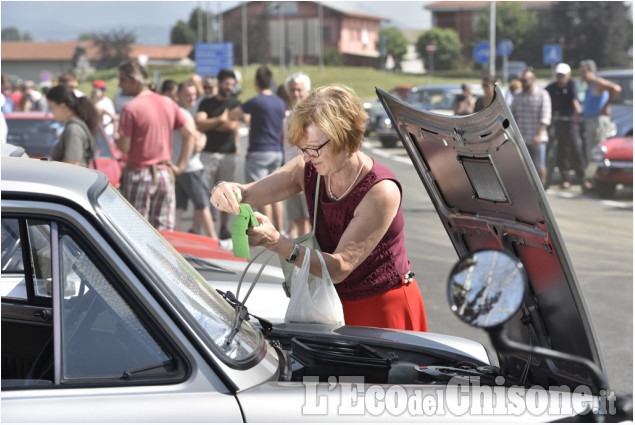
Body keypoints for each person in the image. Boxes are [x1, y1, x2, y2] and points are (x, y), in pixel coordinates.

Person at [211, 84, 428, 331]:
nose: (306, 157)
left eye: (313, 148)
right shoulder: (311, 166)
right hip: (332, 304)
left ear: (346, 137)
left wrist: (276, 243)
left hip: (383, 308)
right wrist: (227, 189)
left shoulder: (381, 190)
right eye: (303, 149)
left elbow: (339, 267)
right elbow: (249, 192)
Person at [117, 59, 193, 231]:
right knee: (164, 231)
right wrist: (180, 166)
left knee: (135, 230)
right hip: (164, 174)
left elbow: (125, 148)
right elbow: (190, 135)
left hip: (139, 174)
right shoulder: (168, 103)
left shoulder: (130, 108)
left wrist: (119, 137)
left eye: (122, 80)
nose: (120, 85)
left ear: (134, 81)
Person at [229, 65, 286, 232]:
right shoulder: (280, 102)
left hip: (259, 150)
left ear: (256, 83)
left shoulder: (255, 102)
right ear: (271, 82)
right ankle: (281, 230)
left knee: (262, 195)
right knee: (277, 193)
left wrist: (246, 118)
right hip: (276, 149)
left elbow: (233, 114)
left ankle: (267, 229)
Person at [195, 69, 242, 240]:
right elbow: (199, 123)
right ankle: (198, 229)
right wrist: (220, 120)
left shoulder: (236, 103)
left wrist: (211, 123)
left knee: (227, 193)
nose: (229, 87)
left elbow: (231, 126)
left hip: (227, 154)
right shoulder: (206, 103)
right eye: (227, 84)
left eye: (232, 84)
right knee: (202, 193)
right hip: (207, 154)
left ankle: (223, 227)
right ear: (219, 83)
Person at [169, 80, 218, 239]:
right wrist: (203, 136)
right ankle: (214, 241)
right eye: (187, 95)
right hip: (190, 167)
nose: (192, 98)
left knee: (179, 207)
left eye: (194, 95)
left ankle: (170, 239)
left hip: (179, 166)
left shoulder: (178, 112)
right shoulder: (184, 114)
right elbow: (196, 145)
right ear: (178, 96)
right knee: (203, 204)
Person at [545, 63, 586, 189]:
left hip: (570, 123)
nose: (560, 77)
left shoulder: (571, 85)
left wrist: (577, 112)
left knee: (576, 150)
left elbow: (575, 100)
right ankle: (565, 179)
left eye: (563, 75)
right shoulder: (551, 88)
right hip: (557, 124)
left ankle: (582, 179)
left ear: (568, 75)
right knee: (561, 152)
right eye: (558, 75)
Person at [282, 72, 311, 238]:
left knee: (308, 219)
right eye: (293, 90)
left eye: (299, 90)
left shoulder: (309, 113)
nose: (296, 94)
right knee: (297, 218)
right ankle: (301, 257)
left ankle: (309, 258)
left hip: (306, 171)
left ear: (306, 91)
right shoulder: (291, 113)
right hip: (290, 170)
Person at [511, 69, 552, 186]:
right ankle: (529, 189)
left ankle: (541, 188)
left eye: (525, 80)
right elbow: (512, 116)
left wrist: (539, 136)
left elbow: (545, 117)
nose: (523, 83)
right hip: (522, 139)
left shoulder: (543, 95)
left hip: (538, 138)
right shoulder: (517, 96)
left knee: (539, 166)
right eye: (521, 81)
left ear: (533, 80)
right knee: (523, 168)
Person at [579, 59, 622, 164]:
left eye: (584, 72)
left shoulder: (598, 82)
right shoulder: (589, 85)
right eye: (581, 73)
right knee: (591, 151)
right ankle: (592, 177)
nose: (582, 75)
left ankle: (601, 173)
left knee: (598, 149)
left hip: (597, 120)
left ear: (592, 72)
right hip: (590, 120)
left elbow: (616, 89)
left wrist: (605, 106)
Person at [45, 85, 98, 167]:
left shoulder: (73, 129)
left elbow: (72, 163)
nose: (51, 112)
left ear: (63, 106)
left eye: (52, 107)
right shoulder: (73, 126)